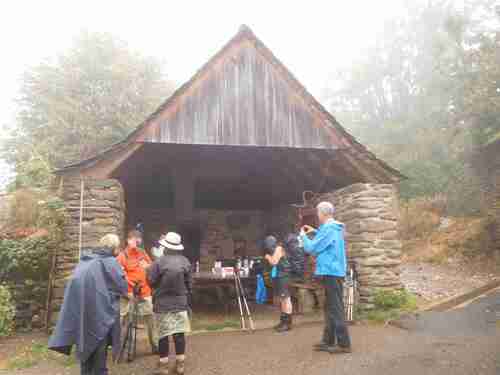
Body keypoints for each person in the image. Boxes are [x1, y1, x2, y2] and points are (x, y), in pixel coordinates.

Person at [48, 234, 127, 375]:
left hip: (83, 313)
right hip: (100, 315)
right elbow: (122, 287)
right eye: (118, 246)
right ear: (114, 247)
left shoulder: (85, 261)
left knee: (86, 351)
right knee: (98, 355)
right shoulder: (110, 262)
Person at [301, 201, 352, 354]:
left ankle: (344, 344)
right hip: (332, 271)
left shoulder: (329, 228)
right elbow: (327, 240)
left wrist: (304, 236)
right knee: (329, 307)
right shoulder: (332, 227)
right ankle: (328, 341)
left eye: (317, 213)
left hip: (331, 272)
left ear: (322, 213)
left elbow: (311, 248)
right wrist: (315, 231)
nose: (317, 215)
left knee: (335, 308)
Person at [147, 232, 192, 375]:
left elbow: (151, 281)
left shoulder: (158, 262)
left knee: (163, 335)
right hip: (180, 303)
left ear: (165, 247)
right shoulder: (185, 261)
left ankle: (163, 366)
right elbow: (190, 284)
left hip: (162, 304)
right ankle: (180, 365)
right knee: (179, 334)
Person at [117, 229, 158, 353]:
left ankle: (155, 345)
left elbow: (151, 267)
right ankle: (124, 347)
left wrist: (148, 267)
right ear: (128, 240)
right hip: (128, 293)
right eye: (134, 239)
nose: (137, 242)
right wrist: (128, 287)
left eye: (138, 239)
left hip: (145, 292)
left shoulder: (142, 253)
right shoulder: (122, 256)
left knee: (151, 318)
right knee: (125, 321)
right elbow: (118, 275)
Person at [263, 235, 293, 332]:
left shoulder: (279, 249)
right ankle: (283, 321)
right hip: (280, 276)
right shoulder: (277, 249)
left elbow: (274, 262)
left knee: (286, 299)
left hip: (283, 276)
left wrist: (268, 257)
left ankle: (287, 323)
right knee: (282, 299)